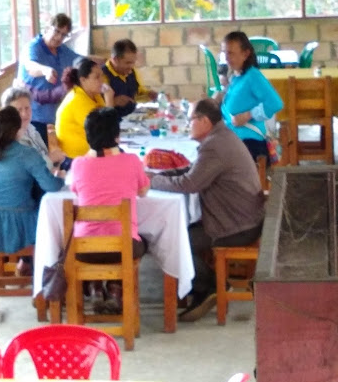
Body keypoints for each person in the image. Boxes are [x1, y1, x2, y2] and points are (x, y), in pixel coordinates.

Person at [149, 98, 265, 322]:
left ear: (203, 121)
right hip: (242, 217)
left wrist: (153, 182)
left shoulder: (215, 145)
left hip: (236, 226)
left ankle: (210, 284)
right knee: (178, 234)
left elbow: (190, 184)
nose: (187, 125)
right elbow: (193, 171)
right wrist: (160, 176)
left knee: (170, 241)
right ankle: (205, 284)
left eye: (190, 120)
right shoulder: (220, 137)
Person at [70, 107, 150, 313]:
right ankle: (115, 289)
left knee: (100, 242)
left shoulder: (78, 164)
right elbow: (143, 191)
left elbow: (75, 190)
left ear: (87, 137)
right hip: (122, 247)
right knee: (143, 242)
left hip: (85, 248)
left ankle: (96, 287)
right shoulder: (132, 161)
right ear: (117, 136)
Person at [0, 106, 64, 270]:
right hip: (25, 227)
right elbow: (51, 186)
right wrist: (61, 178)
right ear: (17, 130)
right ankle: (50, 271)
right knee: (58, 217)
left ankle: (23, 266)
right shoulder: (26, 153)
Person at [17, 13, 82, 145]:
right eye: (57, 31)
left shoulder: (62, 50)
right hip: (33, 116)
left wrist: (104, 62)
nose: (59, 37)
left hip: (53, 115)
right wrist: (45, 70)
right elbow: (30, 66)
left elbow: (80, 60)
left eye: (64, 35)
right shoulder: (33, 47)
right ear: (47, 29)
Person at [0, 87, 65, 173]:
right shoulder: (7, 138)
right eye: (19, 110)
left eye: (27, 108)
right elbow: (24, 169)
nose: (24, 114)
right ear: (8, 112)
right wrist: (51, 158)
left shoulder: (33, 129)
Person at [221, 31, 283, 162]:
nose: (226, 58)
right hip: (234, 141)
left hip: (249, 145)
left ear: (245, 54)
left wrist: (249, 115)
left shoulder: (253, 76)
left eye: (231, 53)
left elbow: (275, 103)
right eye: (225, 53)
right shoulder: (237, 77)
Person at [55, 58, 113, 159]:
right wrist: (109, 100)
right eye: (97, 77)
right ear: (83, 80)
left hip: (92, 152)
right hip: (74, 159)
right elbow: (106, 133)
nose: (102, 80)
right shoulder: (77, 100)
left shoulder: (94, 94)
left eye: (102, 76)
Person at [102, 39, 158, 118]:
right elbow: (94, 106)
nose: (131, 67)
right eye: (127, 63)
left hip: (131, 119)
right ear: (115, 60)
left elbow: (137, 94)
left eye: (133, 62)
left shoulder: (132, 72)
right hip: (111, 122)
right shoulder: (101, 75)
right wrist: (113, 102)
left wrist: (150, 95)